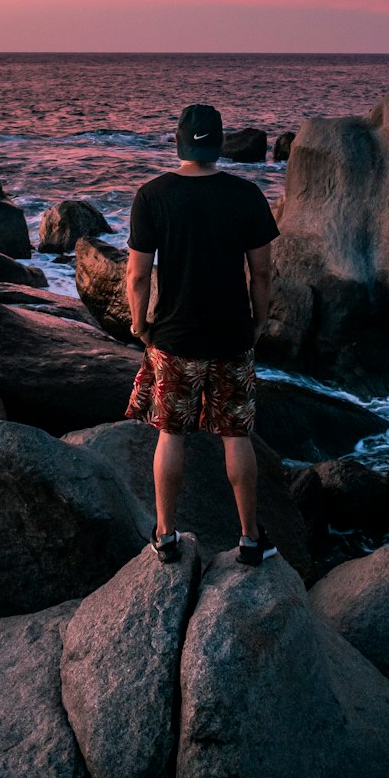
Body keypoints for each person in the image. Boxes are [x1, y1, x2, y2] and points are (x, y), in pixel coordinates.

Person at [124, 102, 280, 565]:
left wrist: (139, 324)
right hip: (231, 334)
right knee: (237, 435)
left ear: (178, 141)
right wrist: (258, 319)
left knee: (171, 434)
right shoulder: (246, 194)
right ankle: (251, 539)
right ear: (220, 144)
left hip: (174, 336)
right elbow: (263, 272)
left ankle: (166, 537)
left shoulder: (151, 196)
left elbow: (137, 276)